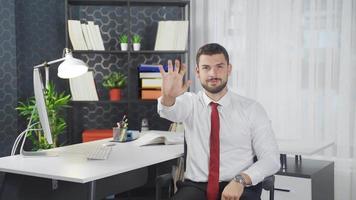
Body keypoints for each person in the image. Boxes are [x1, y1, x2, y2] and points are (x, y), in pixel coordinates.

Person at [157, 43, 280, 200]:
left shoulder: (252, 109)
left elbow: (271, 159)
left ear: (229, 69)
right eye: (206, 68)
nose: (213, 73)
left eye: (219, 67)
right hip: (196, 187)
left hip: (239, 186)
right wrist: (168, 96)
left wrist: (241, 180)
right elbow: (169, 111)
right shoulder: (189, 102)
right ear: (197, 72)